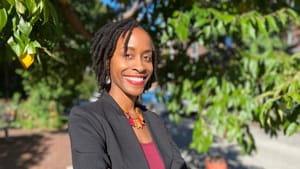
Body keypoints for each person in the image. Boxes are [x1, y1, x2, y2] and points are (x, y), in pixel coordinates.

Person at [68, 18, 188, 169]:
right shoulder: (88, 119)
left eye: (146, 58)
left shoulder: (155, 121)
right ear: (107, 61)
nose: (140, 66)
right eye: (128, 55)